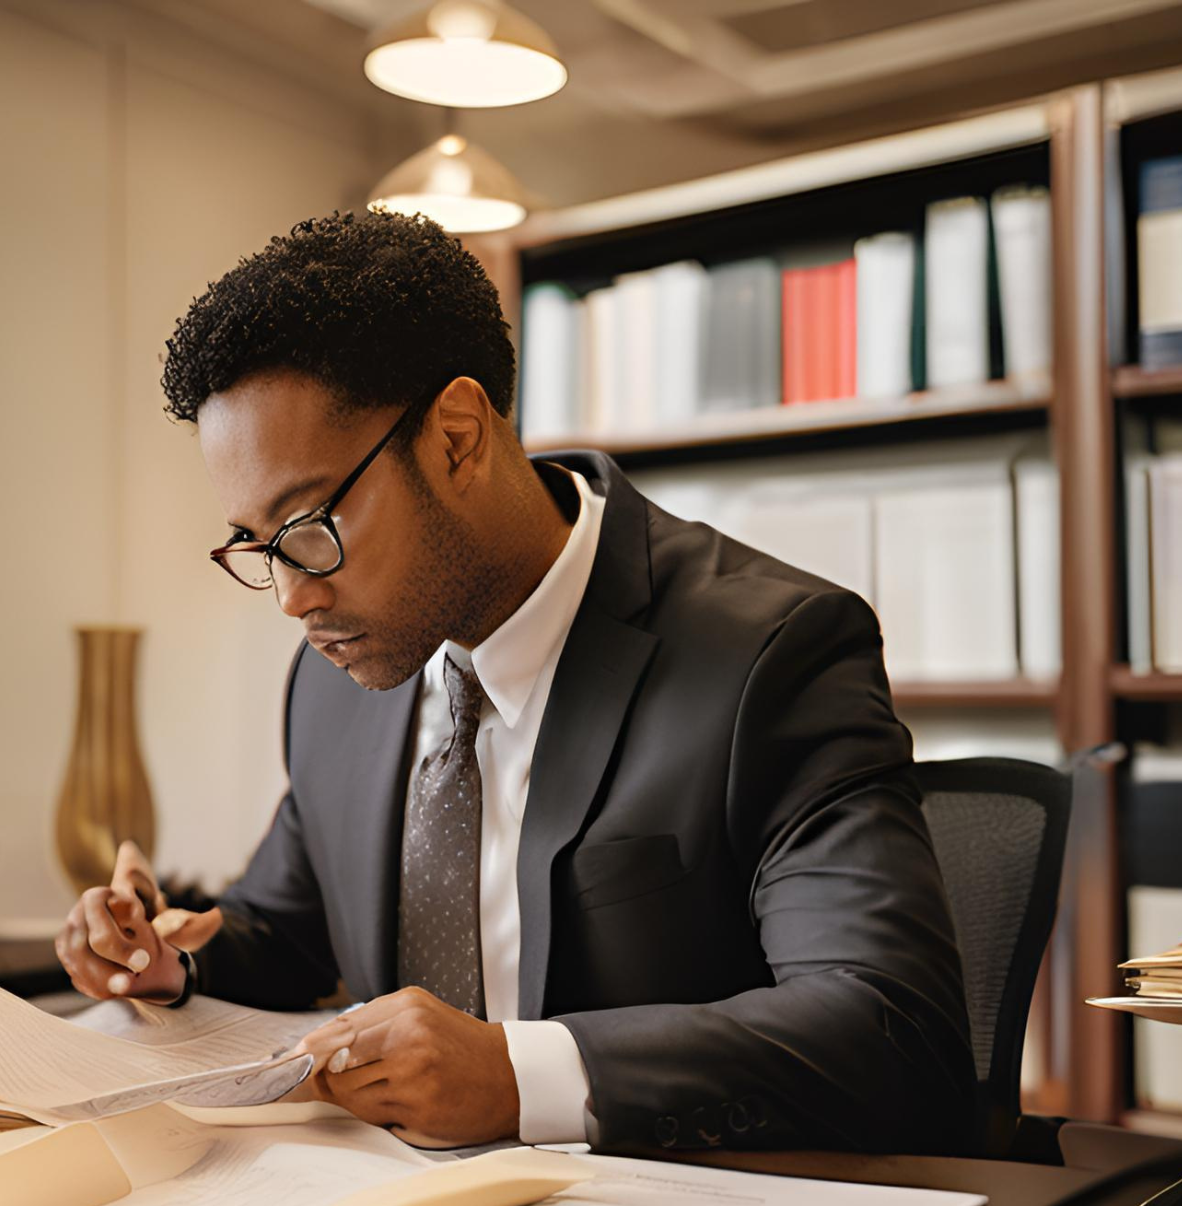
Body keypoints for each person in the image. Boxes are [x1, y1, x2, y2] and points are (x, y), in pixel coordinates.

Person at [54, 210, 975, 1156]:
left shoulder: (769, 654)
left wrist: (517, 1075)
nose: (291, 597)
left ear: (456, 437)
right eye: (258, 547)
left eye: (309, 527)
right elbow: (289, 933)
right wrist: (167, 962)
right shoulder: (337, 679)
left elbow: (892, 1031)